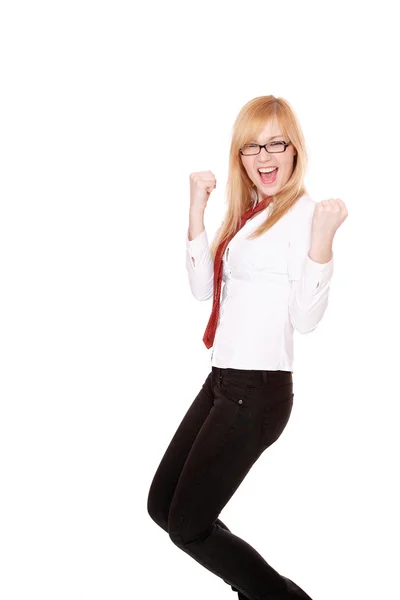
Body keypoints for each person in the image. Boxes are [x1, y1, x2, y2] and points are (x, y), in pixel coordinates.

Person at [147, 95, 348, 600]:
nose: (265, 157)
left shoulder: (303, 215)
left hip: (258, 392)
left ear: (295, 149)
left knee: (189, 525)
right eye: (252, 147)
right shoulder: (249, 215)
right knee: (163, 506)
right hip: (221, 382)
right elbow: (200, 288)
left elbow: (305, 319)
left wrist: (323, 240)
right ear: (239, 157)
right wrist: (196, 208)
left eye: (276, 143)